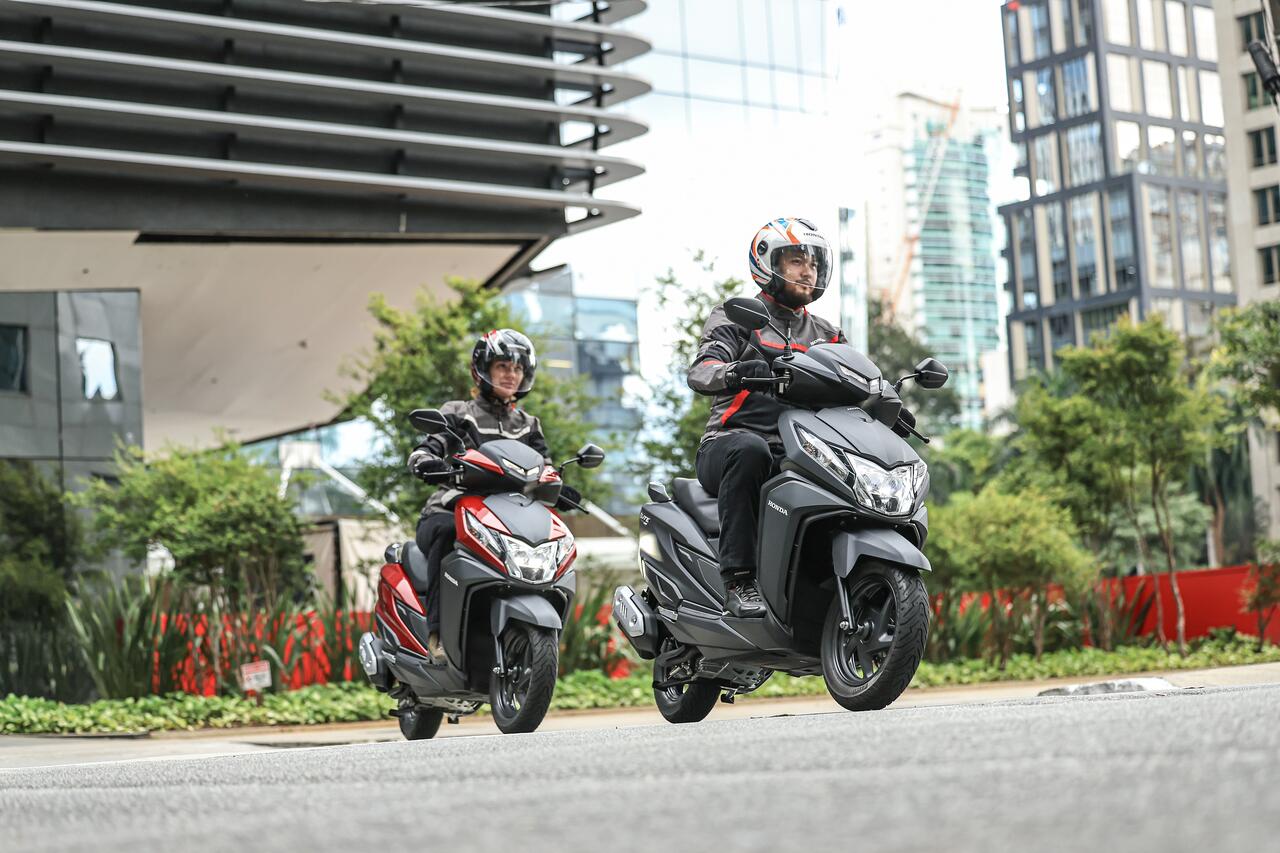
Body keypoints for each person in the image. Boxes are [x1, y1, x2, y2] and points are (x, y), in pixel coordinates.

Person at [686, 217, 845, 618]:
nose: (807, 271)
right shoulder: (737, 317)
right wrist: (734, 372)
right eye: (796, 261)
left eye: (813, 263)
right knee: (751, 449)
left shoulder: (829, 334)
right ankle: (738, 580)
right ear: (768, 264)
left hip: (801, 452)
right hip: (728, 446)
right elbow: (702, 370)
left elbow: (859, 379)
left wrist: (889, 400)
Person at [407, 329, 577, 661]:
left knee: (553, 539)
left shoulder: (529, 424)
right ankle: (437, 633)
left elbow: (545, 467)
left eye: (517, 368)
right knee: (447, 534)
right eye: (502, 366)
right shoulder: (459, 412)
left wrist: (562, 488)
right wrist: (426, 462)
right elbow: (426, 449)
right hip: (450, 510)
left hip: (508, 517)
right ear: (482, 370)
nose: (511, 374)